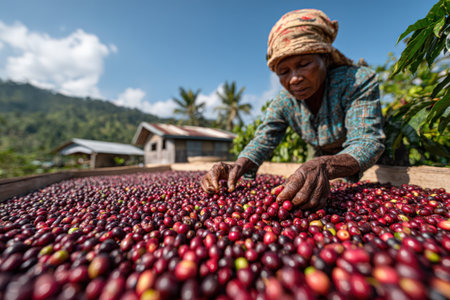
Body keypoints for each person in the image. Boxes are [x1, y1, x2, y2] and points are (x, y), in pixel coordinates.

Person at [200, 9, 385, 210]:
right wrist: (238, 166)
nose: (294, 78)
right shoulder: (284, 102)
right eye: (284, 72)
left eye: (304, 64)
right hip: (319, 163)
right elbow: (263, 140)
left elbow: (367, 141)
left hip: (374, 165)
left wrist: (324, 165)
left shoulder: (356, 81)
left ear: (325, 58)